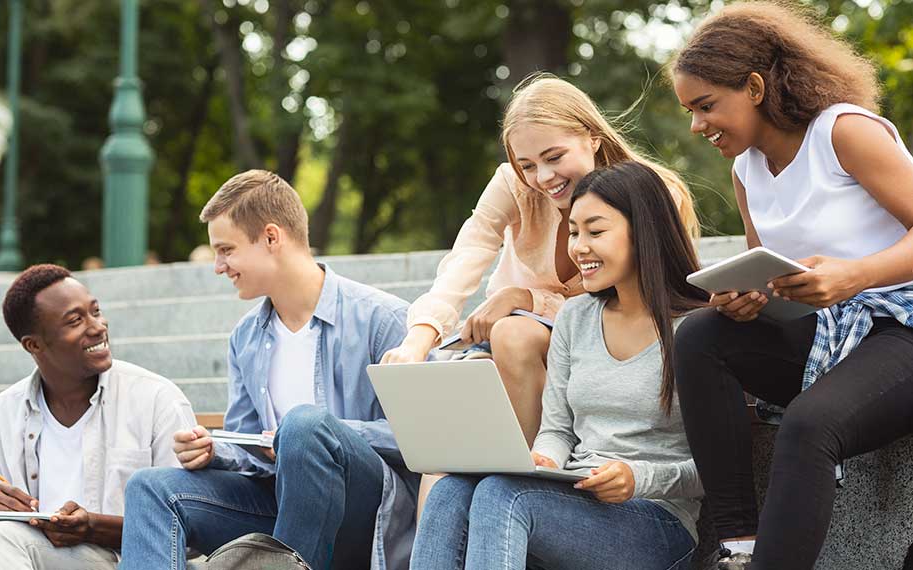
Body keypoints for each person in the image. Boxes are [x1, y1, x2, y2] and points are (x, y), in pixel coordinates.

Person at [670, 3, 913, 569]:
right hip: (831, 338)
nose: (696, 126)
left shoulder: (845, 131)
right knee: (702, 333)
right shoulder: (745, 170)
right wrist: (748, 297)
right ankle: (736, 542)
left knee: (810, 420)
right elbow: (771, 271)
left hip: (901, 328)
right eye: (689, 110)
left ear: (754, 86)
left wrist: (855, 274)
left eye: (706, 106)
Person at [384, 79, 699, 514]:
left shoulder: (651, 192)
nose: (543, 178)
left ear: (592, 136)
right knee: (446, 456)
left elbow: (652, 297)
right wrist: (419, 337)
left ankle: (529, 486)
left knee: (515, 334)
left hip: (584, 345)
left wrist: (526, 298)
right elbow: (470, 251)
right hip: (508, 348)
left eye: (554, 158)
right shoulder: (514, 185)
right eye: (527, 164)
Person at [410, 162, 708, 570]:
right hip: (573, 494)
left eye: (596, 231)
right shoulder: (575, 317)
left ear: (644, 231)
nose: (578, 247)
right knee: (450, 489)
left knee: (503, 495)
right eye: (573, 231)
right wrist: (546, 460)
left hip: (657, 519)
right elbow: (556, 430)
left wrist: (637, 477)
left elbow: (717, 467)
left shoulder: (698, 327)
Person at [119, 170, 417, 570]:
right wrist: (215, 452)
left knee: (306, 426)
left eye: (226, 250)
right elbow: (250, 448)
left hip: (366, 513)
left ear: (271, 238)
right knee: (151, 488)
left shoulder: (383, 319)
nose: (218, 266)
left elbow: (424, 437)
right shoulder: (246, 337)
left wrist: (317, 435)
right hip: (280, 505)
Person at [0, 264, 196, 569]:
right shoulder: (3, 412)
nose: (97, 326)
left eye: (95, 311)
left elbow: (192, 527)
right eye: (75, 320)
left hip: (134, 561)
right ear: (34, 345)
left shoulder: (156, 398)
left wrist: (93, 527)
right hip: (38, 556)